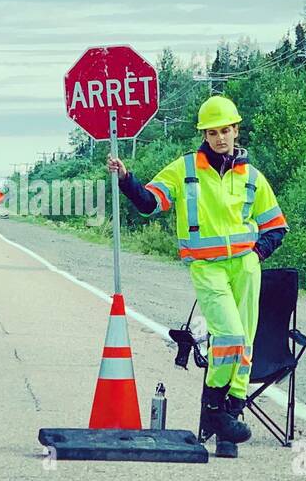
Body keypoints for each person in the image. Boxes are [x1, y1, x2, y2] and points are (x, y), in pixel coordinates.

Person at [107, 95, 287, 458]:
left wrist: (255, 254)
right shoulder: (184, 169)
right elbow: (149, 202)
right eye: (213, 132)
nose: (220, 137)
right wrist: (126, 179)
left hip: (246, 268)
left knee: (245, 345)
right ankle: (215, 412)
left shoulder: (252, 176)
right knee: (230, 337)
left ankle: (227, 426)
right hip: (207, 268)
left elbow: (276, 227)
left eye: (226, 130)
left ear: (236, 130)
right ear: (204, 135)